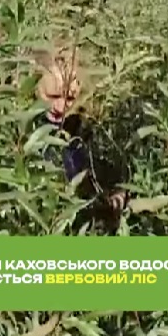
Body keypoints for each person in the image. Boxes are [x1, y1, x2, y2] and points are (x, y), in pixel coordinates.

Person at [31, 41, 130, 232]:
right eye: (53, 96)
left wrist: (116, 192)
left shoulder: (84, 129)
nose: (61, 107)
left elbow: (105, 171)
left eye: (70, 98)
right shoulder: (29, 129)